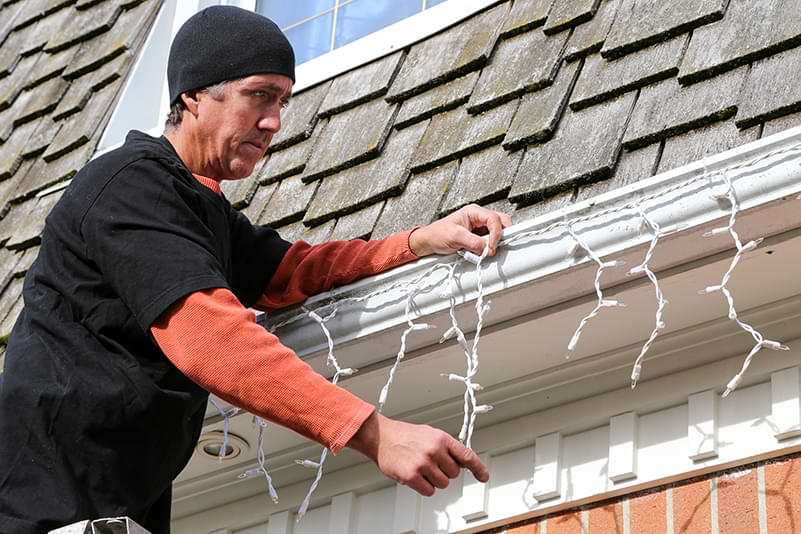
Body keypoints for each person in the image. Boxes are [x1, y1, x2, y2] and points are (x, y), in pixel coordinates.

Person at [0, 6, 512, 533]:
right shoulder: (128, 187)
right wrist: (375, 433)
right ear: (194, 95)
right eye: (260, 95)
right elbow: (208, 335)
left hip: (118, 509)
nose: (274, 122)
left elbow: (289, 271)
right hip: (41, 508)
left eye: (283, 101)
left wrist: (416, 241)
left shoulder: (202, 210)